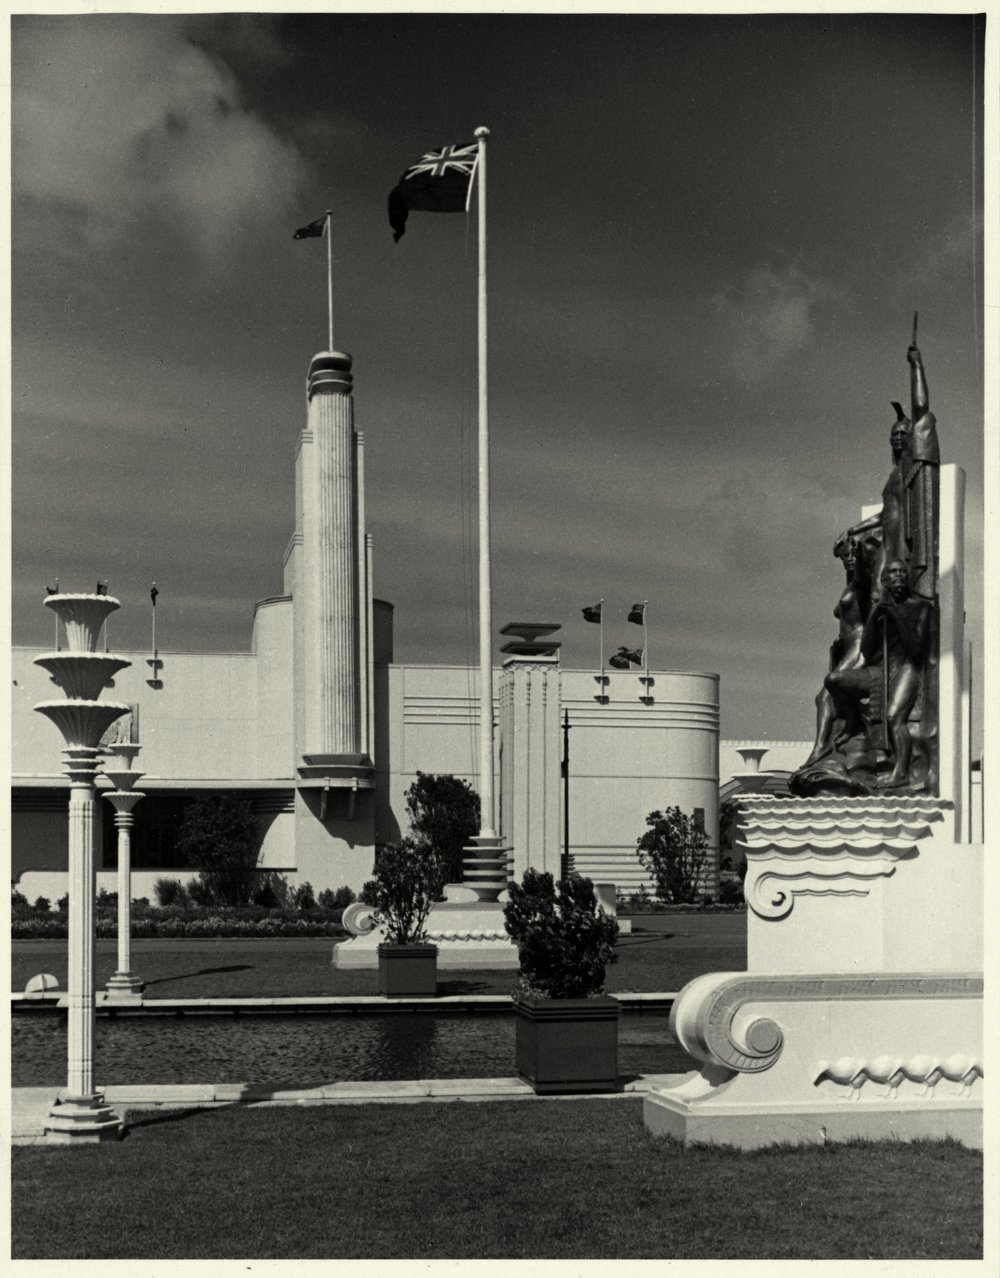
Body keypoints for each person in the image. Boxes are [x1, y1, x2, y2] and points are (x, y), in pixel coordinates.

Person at [824, 559, 932, 789]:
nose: (899, 576)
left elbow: (915, 648)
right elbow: (866, 650)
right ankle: (852, 720)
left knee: (894, 717)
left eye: (902, 572)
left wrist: (895, 617)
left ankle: (900, 772)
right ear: (885, 581)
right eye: (893, 573)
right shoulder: (881, 610)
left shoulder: (921, 608)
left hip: (907, 667)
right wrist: (875, 616)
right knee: (834, 680)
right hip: (880, 670)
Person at [801, 532, 870, 768]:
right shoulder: (848, 586)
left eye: (853, 555)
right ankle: (824, 745)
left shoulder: (861, 584)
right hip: (846, 647)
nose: (849, 559)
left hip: (860, 646)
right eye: (845, 556)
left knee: (831, 685)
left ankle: (845, 727)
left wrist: (859, 554)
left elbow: (861, 574)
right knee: (822, 697)